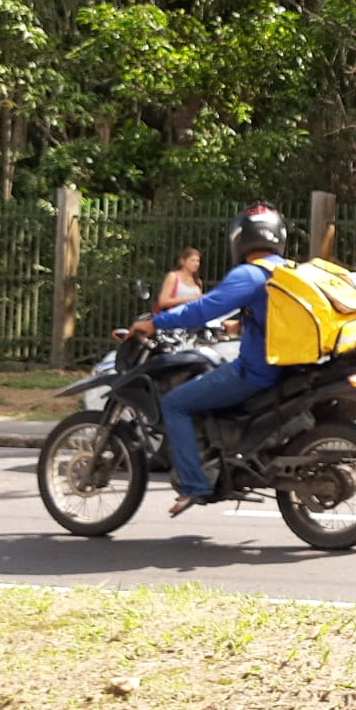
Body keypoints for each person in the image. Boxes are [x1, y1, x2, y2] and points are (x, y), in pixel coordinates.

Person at [128, 203, 288, 517]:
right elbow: (277, 318)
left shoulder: (250, 273)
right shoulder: (286, 270)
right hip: (283, 367)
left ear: (240, 238)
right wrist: (240, 325)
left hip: (256, 372)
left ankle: (193, 485)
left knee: (175, 404)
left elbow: (202, 309)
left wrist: (155, 323)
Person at [155, 247, 204, 312]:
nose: (196, 264)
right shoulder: (173, 277)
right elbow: (163, 301)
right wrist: (189, 299)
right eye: (193, 260)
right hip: (174, 316)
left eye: (198, 261)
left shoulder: (198, 281)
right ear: (182, 261)